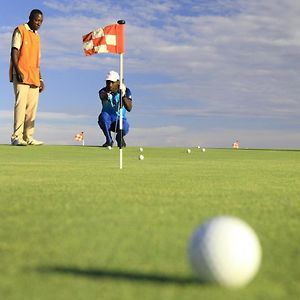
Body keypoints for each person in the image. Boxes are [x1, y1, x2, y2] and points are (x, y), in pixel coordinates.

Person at [9, 9, 45, 146]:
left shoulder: (37, 36)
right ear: (30, 18)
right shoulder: (20, 30)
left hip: (34, 76)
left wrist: (40, 79)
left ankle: (28, 137)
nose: (38, 23)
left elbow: (37, 60)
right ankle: (16, 137)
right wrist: (17, 70)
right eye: (36, 20)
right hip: (21, 74)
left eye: (41, 21)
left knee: (31, 109)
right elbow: (14, 51)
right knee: (21, 106)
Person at [98, 70, 133, 148]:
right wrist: (107, 95)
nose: (110, 85)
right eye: (108, 82)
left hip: (120, 120)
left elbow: (129, 108)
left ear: (118, 82)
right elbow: (103, 96)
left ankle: (119, 137)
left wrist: (123, 95)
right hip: (108, 121)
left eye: (112, 82)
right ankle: (109, 140)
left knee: (125, 127)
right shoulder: (103, 91)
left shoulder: (126, 91)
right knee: (103, 116)